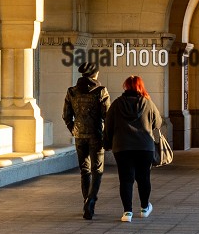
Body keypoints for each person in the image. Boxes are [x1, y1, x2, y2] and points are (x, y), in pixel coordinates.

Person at [103, 75, 165, 222]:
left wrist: (107, 143)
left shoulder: (117, 104)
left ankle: (127, 213)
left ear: (126, 86)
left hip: (122, 147)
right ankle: (144, 208)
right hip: (144, 147)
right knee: (144, 178)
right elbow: (158, 122)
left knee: (126, 179)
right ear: (140, 86)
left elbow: (108, 125)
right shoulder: (147, 103)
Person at [63, 62, 109, 219]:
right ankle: (91, 200)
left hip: (79, 136)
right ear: (95, 74)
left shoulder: (72, 91)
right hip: (96, 135)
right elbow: (106, 115)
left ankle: (86, 201)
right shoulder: (100, 91)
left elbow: (66, 115)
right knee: (98, 170)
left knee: (85, 170)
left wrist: (74, 129)